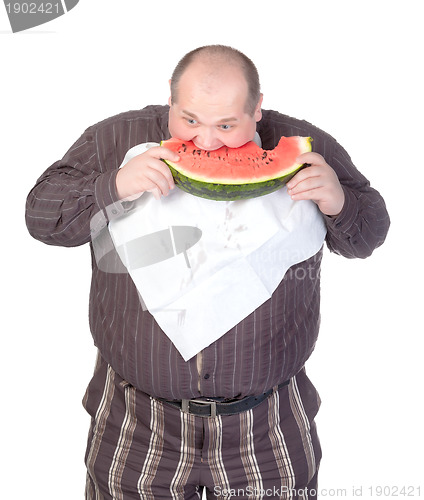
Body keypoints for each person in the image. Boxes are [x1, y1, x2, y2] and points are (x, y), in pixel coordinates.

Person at [25, 45, 390, 499]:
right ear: (171, 101)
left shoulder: (303, 144)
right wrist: (114, 185)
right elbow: (42, 218)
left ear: (257, 108)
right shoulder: (115, 138)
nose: (207, 143)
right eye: (190, 120)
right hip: (135, 418)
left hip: (269, 421)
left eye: (226, 125)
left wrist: (339, 201)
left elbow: (370, 235)